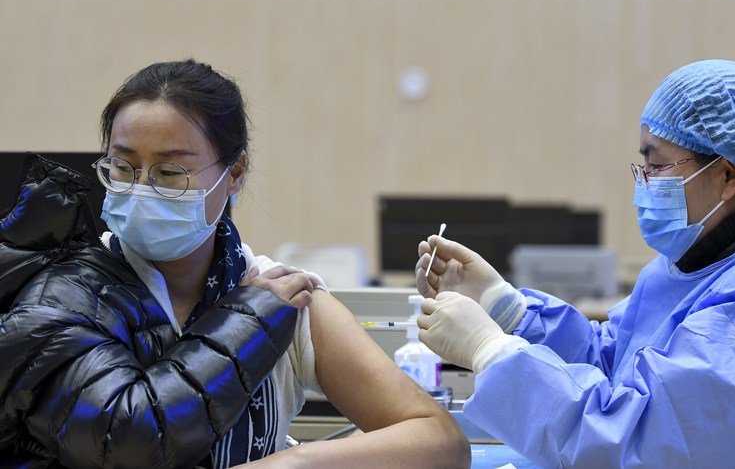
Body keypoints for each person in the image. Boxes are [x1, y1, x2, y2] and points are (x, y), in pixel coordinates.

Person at [415, 59, 735, 468]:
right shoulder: (709, 264)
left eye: (658, 165)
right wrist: (508, 311)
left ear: (729, 173)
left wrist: (492, 352)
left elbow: (638, 440)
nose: (645, 183)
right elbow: (621, 361)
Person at [0, 60, 469, 468]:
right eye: (123, 168)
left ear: (234, 175)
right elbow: (129, 445)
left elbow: (439, 441)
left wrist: (295, 461)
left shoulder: (282, 293)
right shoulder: (61, 290)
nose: (141, 189)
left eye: (169, 172)